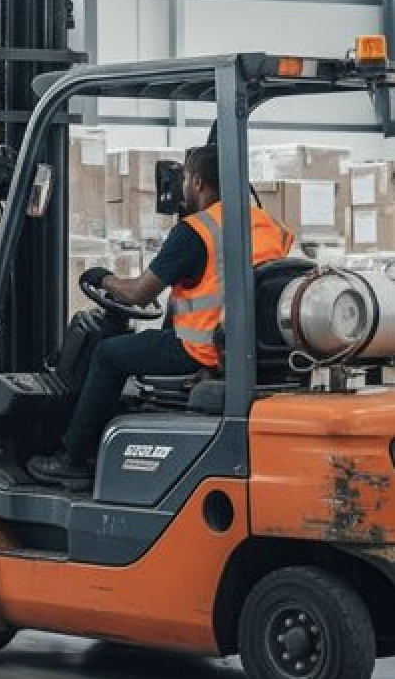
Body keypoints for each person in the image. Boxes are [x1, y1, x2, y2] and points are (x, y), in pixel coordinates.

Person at [28, 145, 293, 491]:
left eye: (184, 177)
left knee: (107, 354)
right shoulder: (266, 225)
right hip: (248, 347)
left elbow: (139, 293)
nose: (182, 185)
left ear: (197, 182)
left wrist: (103, 278)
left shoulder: (196, 232)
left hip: (200, 348)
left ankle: (73, 459)